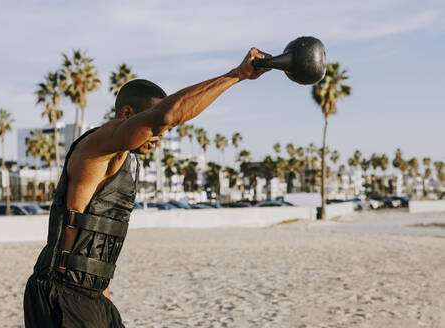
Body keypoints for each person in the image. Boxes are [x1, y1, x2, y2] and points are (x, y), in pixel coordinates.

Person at [23, 47, 270, 327]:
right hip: (60, 294)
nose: (160, 137)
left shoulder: (125, 160)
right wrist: (237, 74)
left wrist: (103, 296)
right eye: (154, 128)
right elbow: (166, 117)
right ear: (128, 113)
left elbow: (97, 240)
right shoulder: (98, 146)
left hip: (93, 296)